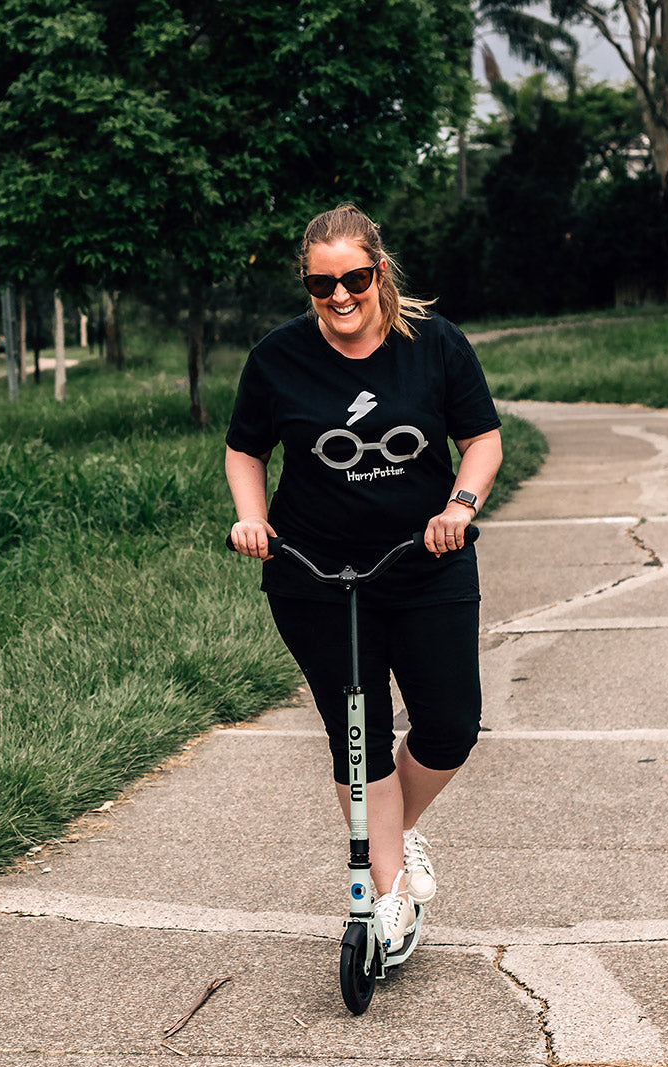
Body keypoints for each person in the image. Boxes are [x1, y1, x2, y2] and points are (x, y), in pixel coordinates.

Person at [225, 204, 502, 950]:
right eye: (322, 285)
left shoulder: (434, 345)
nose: (340, 296)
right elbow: (245, 450)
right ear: (307, 285)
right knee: (362, 739)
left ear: (380, 271)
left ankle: (395, 832)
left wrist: (460, 504)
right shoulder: (278, 358)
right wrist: (253, 519)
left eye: (354, 278)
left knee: (450, 725)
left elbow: (480, 438)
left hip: (424, 562)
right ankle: (386, 898)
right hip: (313, 572)